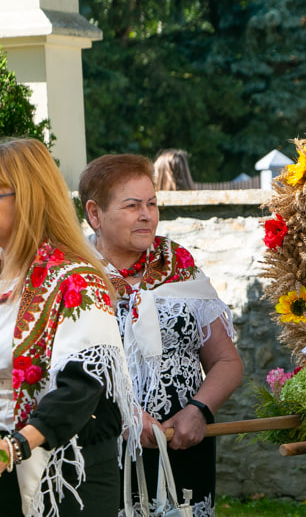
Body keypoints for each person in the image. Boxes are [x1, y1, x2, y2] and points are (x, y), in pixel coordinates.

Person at [78, 154, 243, 517]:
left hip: (183, 442)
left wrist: (199, 411)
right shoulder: (73, 273)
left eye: (152, 203)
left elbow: (227, 362)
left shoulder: (179, 265)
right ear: (94, 213)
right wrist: (124, 417)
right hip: (101, 446)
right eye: (132, 205)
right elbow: (54, 370)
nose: (147, 215)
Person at [0, 138, 141, 516]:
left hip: (66, 477)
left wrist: (13, 446)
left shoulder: (76, 280)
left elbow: (83, 384)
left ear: (27, 198)